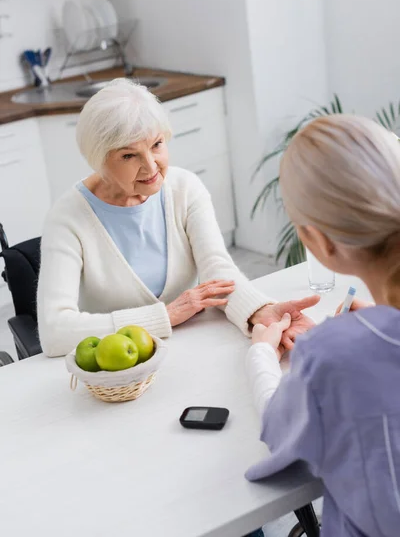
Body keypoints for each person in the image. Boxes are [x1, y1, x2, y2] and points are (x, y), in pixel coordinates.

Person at [37, 79, 318, 357]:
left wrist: (261, 311)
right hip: (116, 375)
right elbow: (55, 331)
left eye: (157, 144)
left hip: (192, 348)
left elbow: (216, 271)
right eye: (129, 156)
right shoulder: (67, 218)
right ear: (99, 160)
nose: (151, 166)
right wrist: (165, 317)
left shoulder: (185, 188)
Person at [245, 114, 400, 537]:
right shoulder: (340, 350)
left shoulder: (332, 355)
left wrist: (261, 350)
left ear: (320, 242)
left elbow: (280, 431)